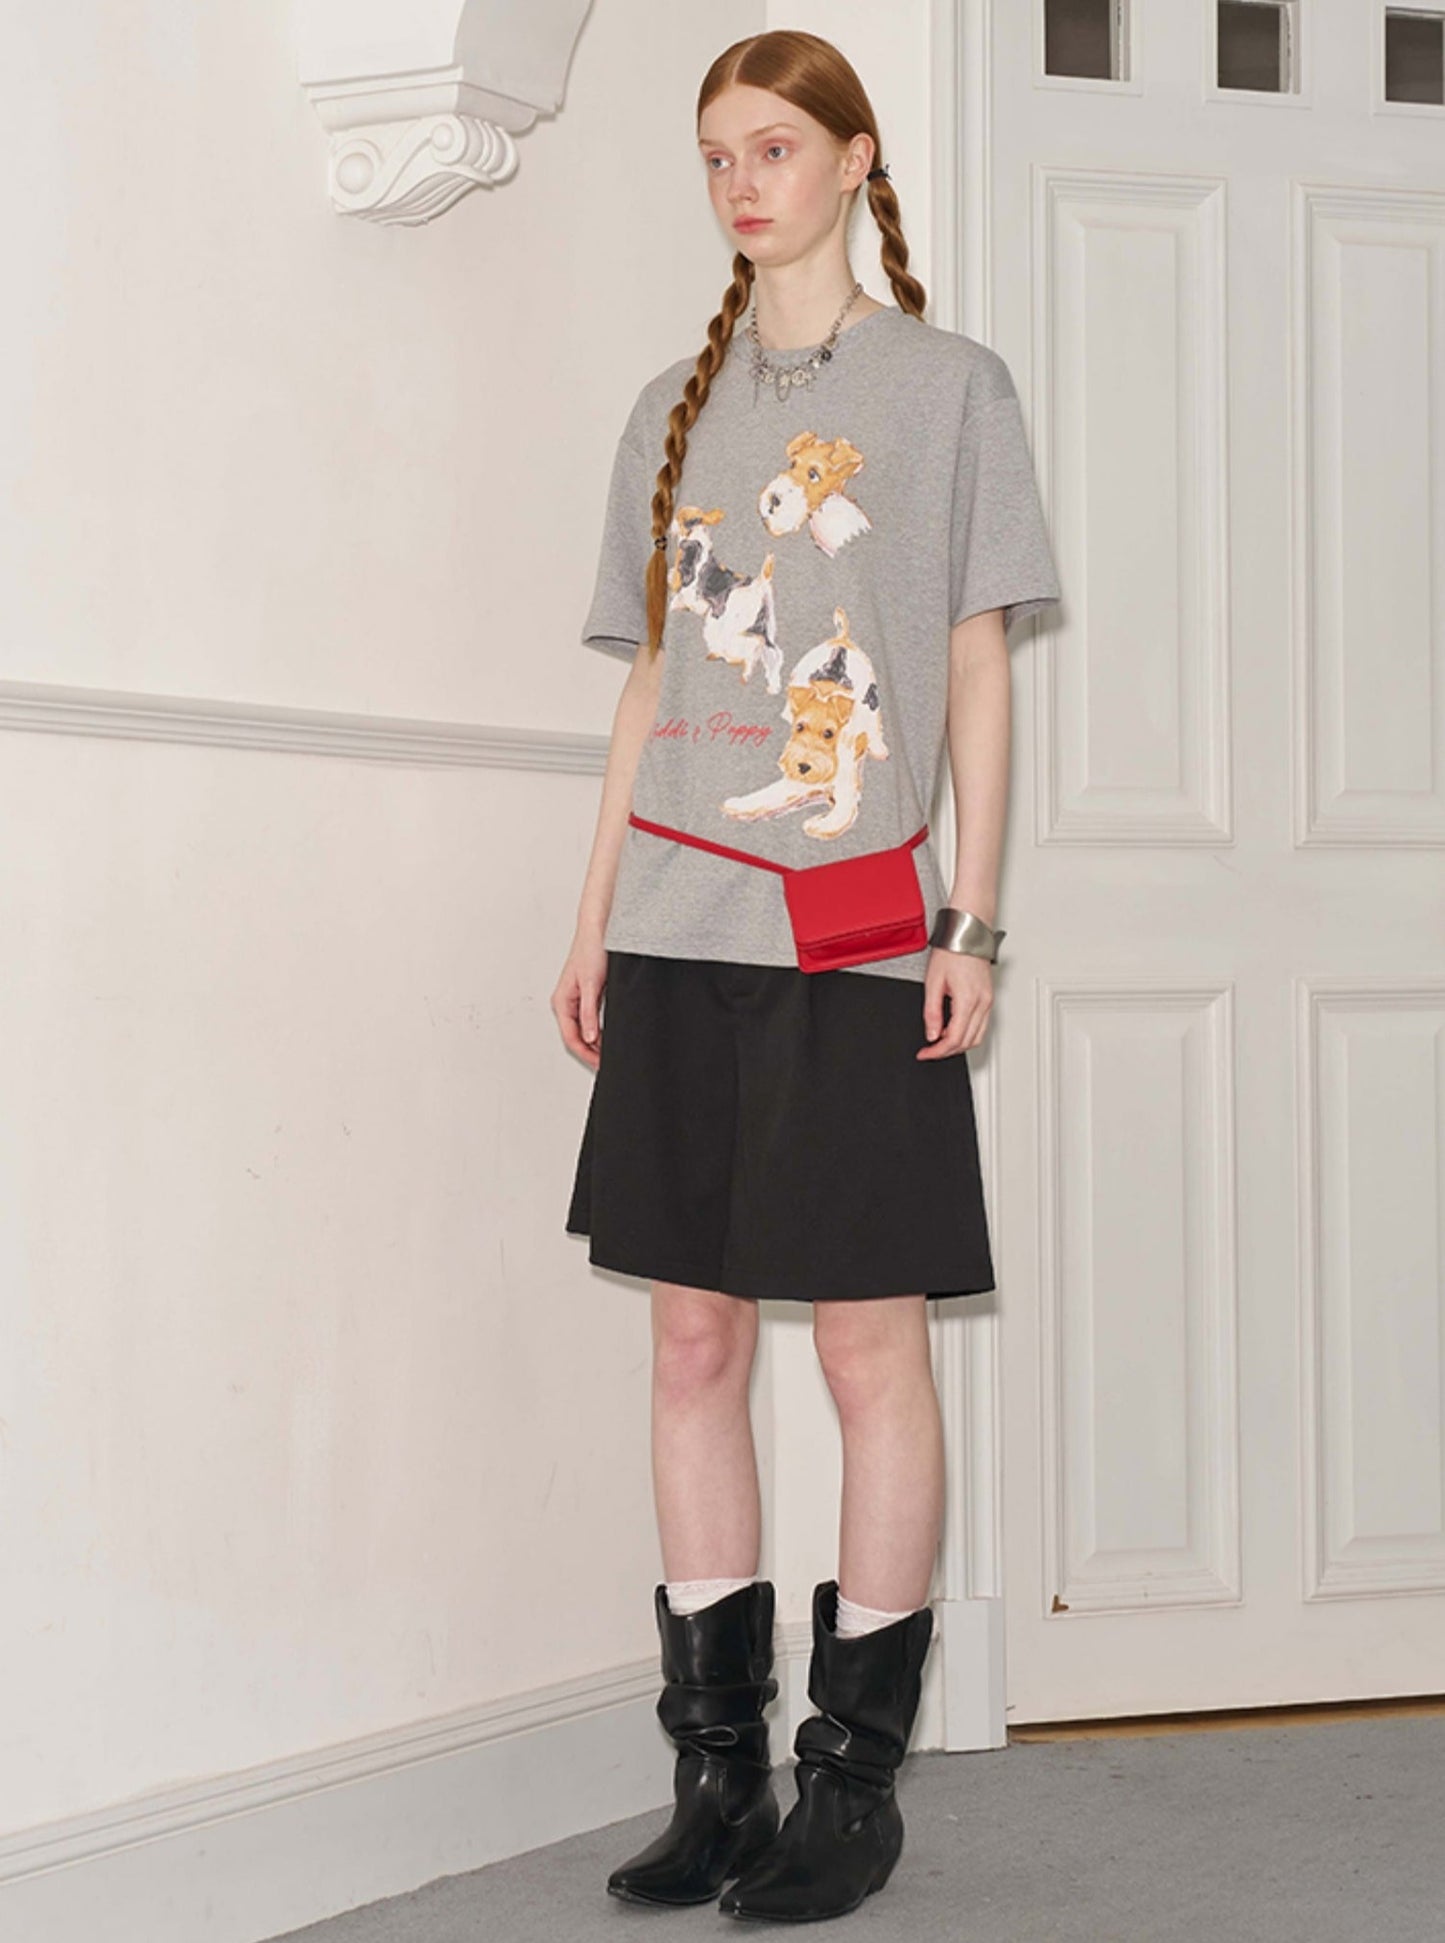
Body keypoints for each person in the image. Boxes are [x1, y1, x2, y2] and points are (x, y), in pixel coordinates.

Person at [550, 28, 1061, 1926]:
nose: (740, 184)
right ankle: (716, 1775)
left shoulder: (948, 389)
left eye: (772, 148)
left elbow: (977, 667)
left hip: (853, 925)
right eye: (715, 156)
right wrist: (591, 916)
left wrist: (969, 918)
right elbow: (648, 689)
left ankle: (851, 1783)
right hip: (675, 923)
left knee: (864, 1347)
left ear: (854, 160)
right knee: (690, 1343)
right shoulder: (666, 408)